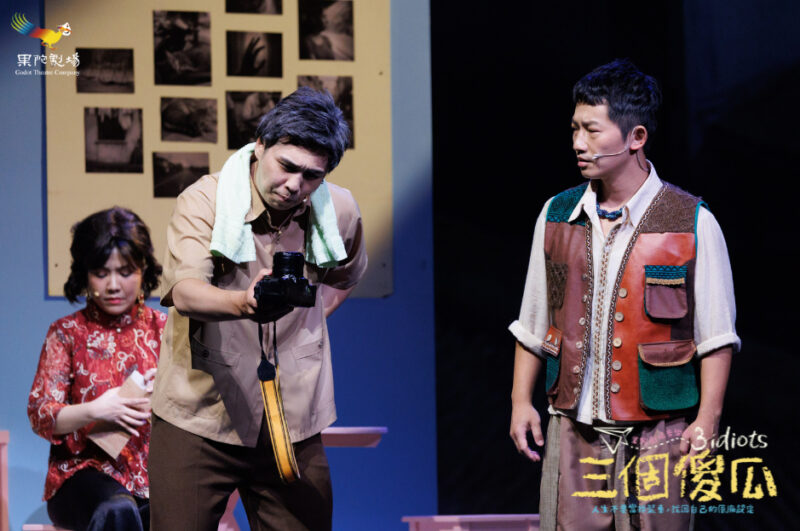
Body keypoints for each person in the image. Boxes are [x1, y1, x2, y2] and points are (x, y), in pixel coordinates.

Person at [508, 59, 739, 530]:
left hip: (658, 433)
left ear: (636, 137)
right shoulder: (557, 215)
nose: (578, 143)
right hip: (573, 428)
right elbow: (534, 321)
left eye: (592, 130)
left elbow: (716, 336)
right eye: (575, 129)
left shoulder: (691, 222)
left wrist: (707, 420)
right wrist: (519, 401)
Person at [149, 86, 367, 530]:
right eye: (287, 166)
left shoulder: (338, 210)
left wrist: (302, 326)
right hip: (202, 410)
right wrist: (244, 303)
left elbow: (345, 277)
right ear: (261, 145)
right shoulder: (205, 200)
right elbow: (185, 292)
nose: (295, 185)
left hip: (292, 416)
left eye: (312, 176)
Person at [28, 207, 166, 531]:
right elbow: (40, 413)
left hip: (153, 476)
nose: (114, 285)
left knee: (173, 512)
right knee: (117, 510)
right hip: (82, 476)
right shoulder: (67, 333)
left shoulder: (164, 330)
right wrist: (96, 410)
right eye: (102, 273)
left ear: (143, 270)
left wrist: (170, 394)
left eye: (126, 272)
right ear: (85, 274)